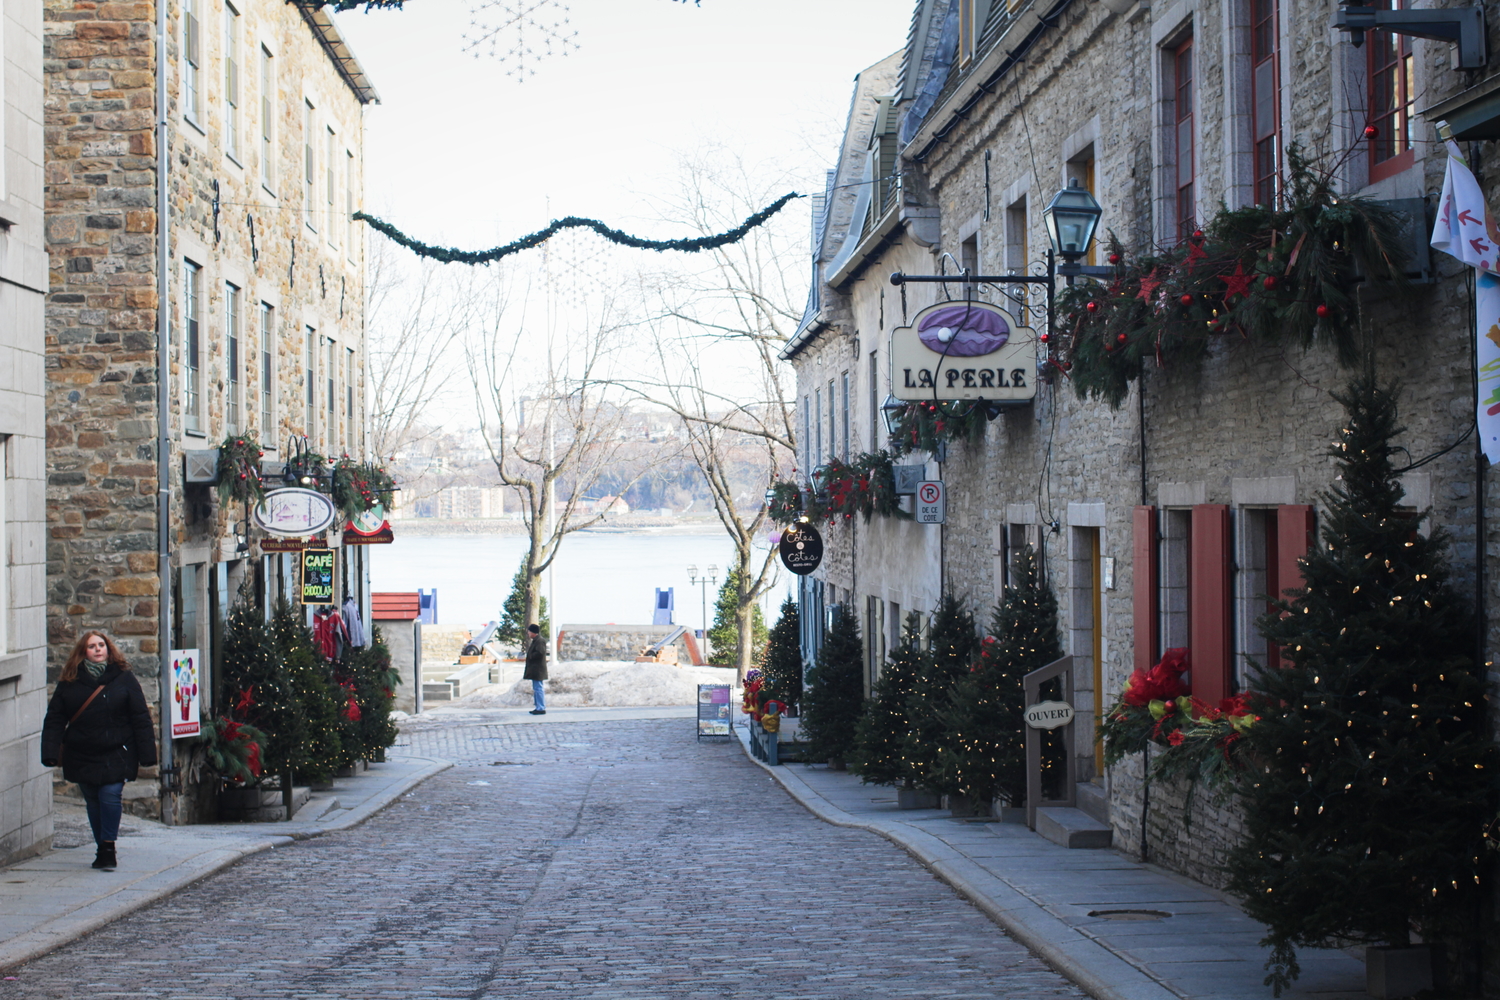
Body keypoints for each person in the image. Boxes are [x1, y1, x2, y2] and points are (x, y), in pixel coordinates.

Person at [40, 631, 159, 871]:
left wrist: (147, 754)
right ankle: (101, 845)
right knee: (93, 801)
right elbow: (55, 718)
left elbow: (140, 717)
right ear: (83, 652)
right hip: (82, 751)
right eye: (92, 646)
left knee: (110, 796)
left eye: (101, 645)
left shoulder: (124, 678)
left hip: (117, 750)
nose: (97, 649)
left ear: (108, 649)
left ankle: (108, 846)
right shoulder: (70, 681)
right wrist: (50, 751)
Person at [524, 623, 547, 715]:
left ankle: (541, 707)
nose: (528, 633)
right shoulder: (536, 640)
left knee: (538, 688)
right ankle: (538, 706)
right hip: (536, 669)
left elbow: (540, 652)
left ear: (533, 632)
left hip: (538, 669)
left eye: (529, 631)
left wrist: (530, 656)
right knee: (537, 688)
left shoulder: (539, 641)